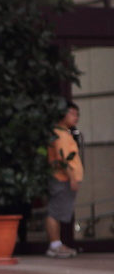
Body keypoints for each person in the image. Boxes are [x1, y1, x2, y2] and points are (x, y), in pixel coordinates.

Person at [46, 101, 83, 258]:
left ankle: (58, 244)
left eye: (77, 114)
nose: (76, 117)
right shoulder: (59, 134)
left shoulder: (65, 133)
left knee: (60, 211)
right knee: (55, 212)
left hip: (64, 178)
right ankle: (54, 245)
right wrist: (72, 178)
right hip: (62, 179)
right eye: (72, 113)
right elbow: (63, 159)